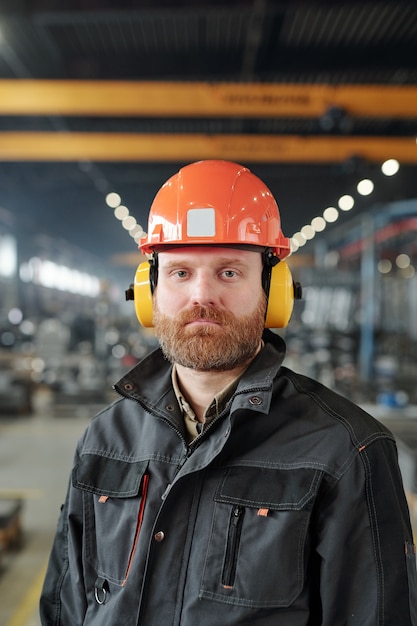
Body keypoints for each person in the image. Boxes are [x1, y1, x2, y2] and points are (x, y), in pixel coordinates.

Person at [40, 160, 417, 625]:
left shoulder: (346, 451)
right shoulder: (103, 440)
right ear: (149, 293)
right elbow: (63, 607)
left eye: (230, 272)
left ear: (273, 291)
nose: (202, 296)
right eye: (180, 273)